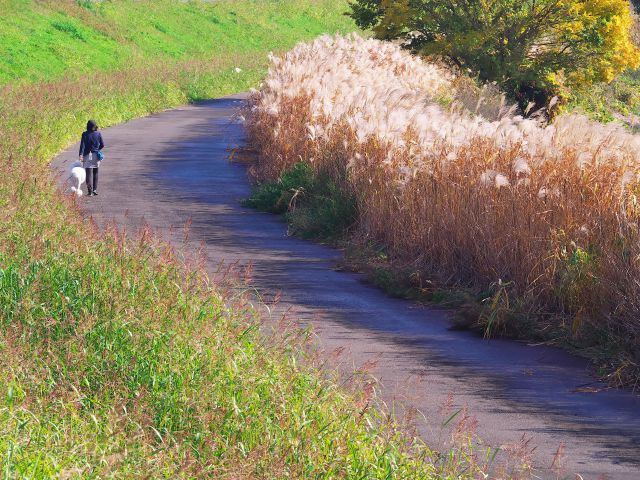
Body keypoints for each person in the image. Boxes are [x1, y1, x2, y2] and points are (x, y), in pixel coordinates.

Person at [79, 119, 104, 196]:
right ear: (95, 126)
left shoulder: (84, 134)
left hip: (87, 155)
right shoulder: (98, 134)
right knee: (95, 173)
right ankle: (95, 190)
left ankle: (90, 191)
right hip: (96, 155)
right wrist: (97, 149)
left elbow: (82, 146)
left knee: (88, 174)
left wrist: (81, 154)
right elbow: (102, 145)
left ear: (87, 126)